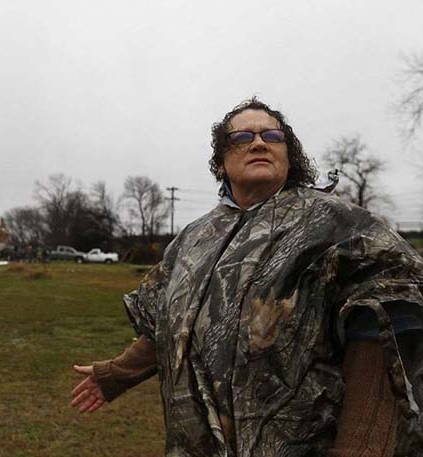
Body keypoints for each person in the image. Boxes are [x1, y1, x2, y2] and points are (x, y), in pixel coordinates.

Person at [71, 98, 423, 457]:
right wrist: (118, 373)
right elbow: (167, 323)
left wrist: (361, 448)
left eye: (272, 135)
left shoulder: (339, 226)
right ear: (221, 162)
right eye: (242, 137)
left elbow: (388, 328)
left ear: (290, 155)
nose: (259, 143)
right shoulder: (193, 240)